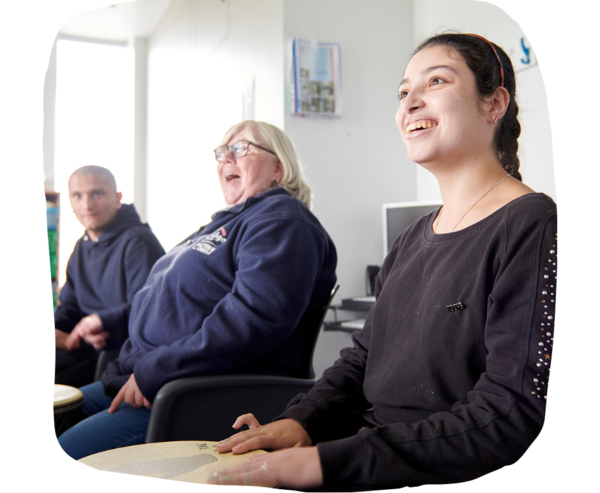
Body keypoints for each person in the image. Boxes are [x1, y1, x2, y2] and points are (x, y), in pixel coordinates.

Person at [208, 33, 558, 489]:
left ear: (494, 105)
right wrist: (303, 421)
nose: (410, 101)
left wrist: (327, 462)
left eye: (435, 81)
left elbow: (512, 414)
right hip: (371, 455)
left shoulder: (534, 227)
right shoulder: (414, 237)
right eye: (403, 91)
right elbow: (363, 358)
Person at [56, 121, 337, 461]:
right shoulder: (226, 223)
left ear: (279, 167)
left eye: (241, 149)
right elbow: (163, 297)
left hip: (190, 393)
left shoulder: (283, 221)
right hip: (140, 380)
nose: (226, 160)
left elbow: (253, 317)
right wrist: (110, 321)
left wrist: (154, 370)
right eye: (222, 153)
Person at [53, 166, 165, 388]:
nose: (87, 204)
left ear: (117, 198)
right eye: (78, 196)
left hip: (119, 354)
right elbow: (70, 306)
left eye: (97, 193)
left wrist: (97, 325)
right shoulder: (81, 247)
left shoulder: (138, 241)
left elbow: (146, 311)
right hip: (84, 347)